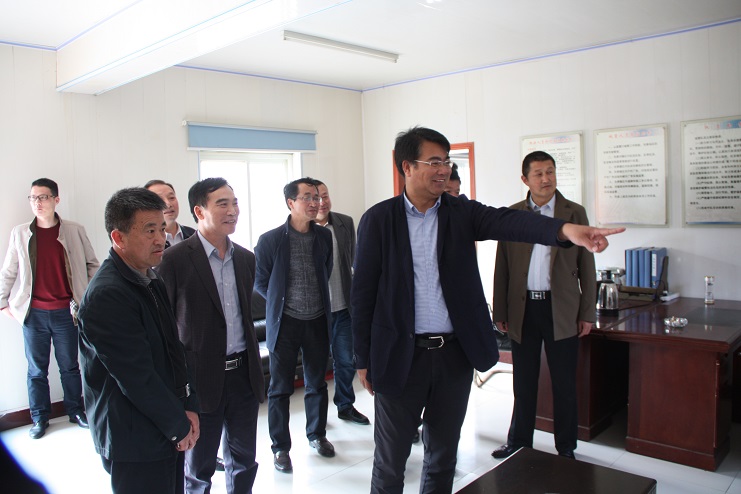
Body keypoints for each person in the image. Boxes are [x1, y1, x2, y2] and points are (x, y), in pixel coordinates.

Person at [351, 126, 623, 493]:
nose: (443, 170)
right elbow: (363, 294)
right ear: (407, 167)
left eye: (447, 162)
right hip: (400, 354)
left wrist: (565, 231)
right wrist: (362, 357)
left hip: (453, 357)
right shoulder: (379, 219)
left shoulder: (460, 212)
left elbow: (511, 221)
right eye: (434, 162)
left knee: (442, 459)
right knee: (390, 463)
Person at [78, 187, 200, 494]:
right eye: (149, 231)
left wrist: (189, 406)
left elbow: (174, 349)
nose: (161, 239)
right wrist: (177, 425)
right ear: (118, 238)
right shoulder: (108, 294)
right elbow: (136, 377)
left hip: (165, 422)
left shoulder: (148, 276)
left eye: (161, 228)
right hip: (134, 436)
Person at [156, 177, 265, 493]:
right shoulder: (174, 260)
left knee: (245, 460)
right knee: (198, 467)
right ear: (199, 211)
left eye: (235, 203)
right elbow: (165, 329)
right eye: (223, 204)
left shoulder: (245, 258)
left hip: (243, 376)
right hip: (200, 380)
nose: (233, 211)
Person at [490, 151, 596, 460]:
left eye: (550, 171)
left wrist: (587, 312)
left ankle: (566, 448)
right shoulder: (512, 214)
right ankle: (519, 441)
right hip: (523, 310)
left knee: (564, 383)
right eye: (538, 173)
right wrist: (501, 311)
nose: (546, 178)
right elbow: (502, 267)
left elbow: (587, 266)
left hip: (561, 310)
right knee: (523, 382)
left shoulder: (574, 213)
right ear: (525, 179)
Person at [0, 178, 99, 439]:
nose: (37, 203)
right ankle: (39, 417)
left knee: (70, 366)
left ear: (56, 199)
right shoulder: (20, 233)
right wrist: (2, 303)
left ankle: (75, 411)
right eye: (33, 198)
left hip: (67, 313)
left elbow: (93, 265)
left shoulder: (74, 230)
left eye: (43, 197)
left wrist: (90, 299)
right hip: (33, 315)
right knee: (36, 370)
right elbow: (9, 270)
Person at [255, 177, 335, 473]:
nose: (315, 203)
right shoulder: (270, 240)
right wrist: (282, 302)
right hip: (285, 323)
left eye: (317, 197)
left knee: (317, 383)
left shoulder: (323, 236)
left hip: (317, 321)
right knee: (279, 389)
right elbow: (261, 281)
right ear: (291, 203)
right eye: (308, 198)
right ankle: (280, 448)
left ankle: (317, 435)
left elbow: (326, 271)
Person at [314, 180, 369, 425]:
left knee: (346, 361)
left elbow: (354, 262)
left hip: (344, 307)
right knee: (315, 368)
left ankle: (345, 406)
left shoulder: (345, 222)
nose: (322, 202)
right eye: (316, 197)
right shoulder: (302, 229)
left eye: (325, 196)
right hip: (316, 313)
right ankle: (316, 418)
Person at [144, 180, 196, 247]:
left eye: (171, 198)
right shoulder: (146, 240)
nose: (168, 204)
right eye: (160, 199)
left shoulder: (193, 234)